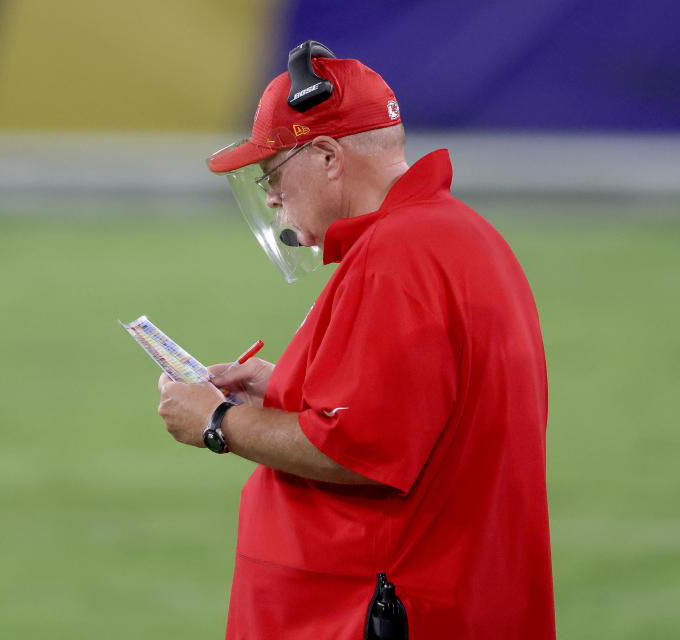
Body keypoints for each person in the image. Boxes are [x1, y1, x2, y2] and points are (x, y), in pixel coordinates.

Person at [156, 42, 555, 639]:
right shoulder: (457, 236)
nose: (269, 196)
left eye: (273, 173)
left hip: (384, 608)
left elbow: (358, 449)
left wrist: (218, 422)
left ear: (326, 156)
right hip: (449, 595)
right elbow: (420, 411)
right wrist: (287, 387)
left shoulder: (396, 257)